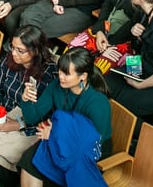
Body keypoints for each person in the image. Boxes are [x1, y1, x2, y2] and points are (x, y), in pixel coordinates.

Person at [0, 26, 58, 186]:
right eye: (12, 47)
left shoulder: (49, 74)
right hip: (5, 114)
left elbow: (47, 117)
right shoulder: (9, 60)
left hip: (27, 124)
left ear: (35, 50)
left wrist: (18, 125)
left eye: (20, 50)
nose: (14, 53)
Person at [18, 47, 112, 187]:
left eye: (66, 73)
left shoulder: (98, 102)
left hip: (90, 150)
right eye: (60, 70)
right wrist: (26, 100)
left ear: (83, 76)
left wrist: (55, 134)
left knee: (53, 169)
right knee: (29, 160)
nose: (60, 76)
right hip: (59, 138)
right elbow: (32, 117)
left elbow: (94, 141)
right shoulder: (57, 85)